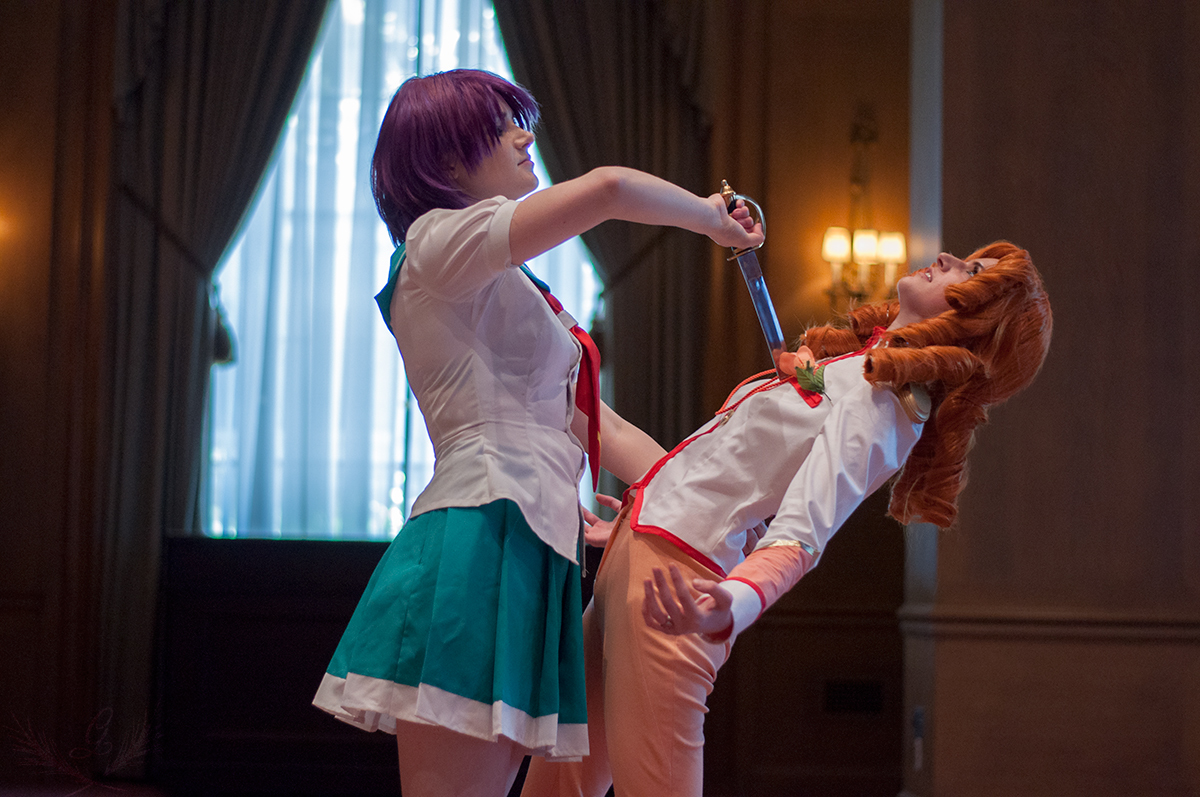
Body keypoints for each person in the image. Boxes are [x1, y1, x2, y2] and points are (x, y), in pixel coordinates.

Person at [310, 68, 761, 797]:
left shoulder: (509, 285)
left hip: (527, 544)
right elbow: (609, 189)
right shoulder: (437, 241)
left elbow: (600, 425)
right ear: (446, 158)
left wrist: (711, 498)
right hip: (479, 535)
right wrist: (710, 217)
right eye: (501, 127)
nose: (525, 138)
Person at [521, 241, 1053, 797]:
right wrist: (641, 516)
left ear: (979, 327)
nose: (946, 258)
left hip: (677, 594)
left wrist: (732, 603)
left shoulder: (883, 404)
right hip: (641, 563)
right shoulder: (852, 368)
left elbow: (803, 533)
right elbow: (724, 463)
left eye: (971, 271)